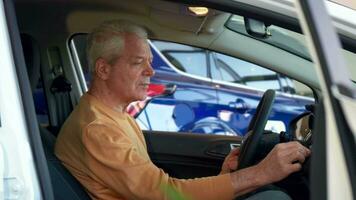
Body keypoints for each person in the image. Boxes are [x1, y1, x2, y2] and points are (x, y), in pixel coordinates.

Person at [55, 20, 310, 200]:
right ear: (103, 69)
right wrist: (260, 174)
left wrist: (227, 176)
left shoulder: (114, 116)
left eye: (150, 62)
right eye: (137, 62)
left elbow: (158, 189)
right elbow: (165, 193)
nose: (151, 72)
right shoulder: (97, 129)